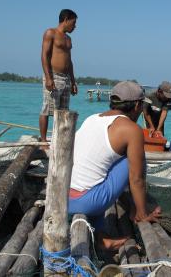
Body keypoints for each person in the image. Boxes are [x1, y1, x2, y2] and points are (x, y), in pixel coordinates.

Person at [68, 81, 161, 250]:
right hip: (87, 202)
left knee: (99, 168)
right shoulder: (131, 129)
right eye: (141, 107)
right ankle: (137, 211)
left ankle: (101, 238)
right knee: (136, 159)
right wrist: (142, 213)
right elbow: (137, 178)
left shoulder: (92, 118)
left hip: (66, 198)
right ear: (137, 106)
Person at [39, 9, 78, 146]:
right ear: (66, 19)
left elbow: (69, 61)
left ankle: (58, 139)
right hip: (53, 76)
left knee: (63, 112)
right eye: (73, 23)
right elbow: (44, 55)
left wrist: (73, 81)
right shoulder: (51, 33)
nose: (75, 26)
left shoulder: (68, 38)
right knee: (47, 109)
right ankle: (43, 141)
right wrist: (48, 78)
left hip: (66, 78)